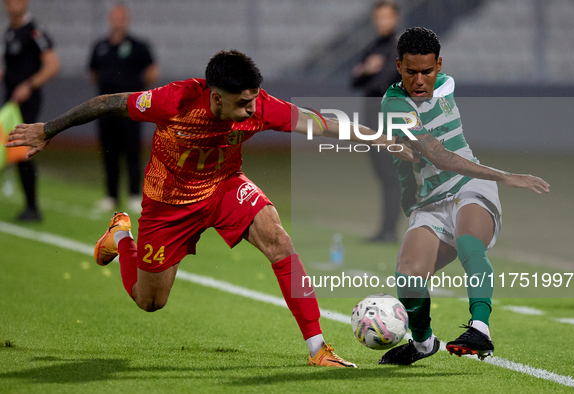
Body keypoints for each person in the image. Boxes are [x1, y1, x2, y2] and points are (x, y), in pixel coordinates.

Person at [6, 50, 416, 368]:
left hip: (223, 188)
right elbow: (106, 102)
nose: (251, 110)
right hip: (168, 205)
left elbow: (322, 122)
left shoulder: (260, 106)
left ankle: (318, 348)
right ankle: (122, 236)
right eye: (242, 104)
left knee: (278, 240)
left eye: (254, 100)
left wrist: (381, 138)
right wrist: (48, 129)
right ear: (215, 98)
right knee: (149, 301)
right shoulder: (175, 100)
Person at [377, 27, 550, 365]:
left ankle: (480, 330)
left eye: (427, 71)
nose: (420, 80)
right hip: (429, 203)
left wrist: (493, 178)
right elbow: (438, 156)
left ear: (439, 65)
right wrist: (506, 176)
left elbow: (447, 156)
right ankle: (424, 343)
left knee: (469, 241)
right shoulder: (395, 105)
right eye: (411, 72)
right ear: (398, 67)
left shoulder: (446, 84)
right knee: (408, 276)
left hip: (470, 184)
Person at [89, 3, 159, 213]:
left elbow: (152, 72)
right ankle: (111, 195)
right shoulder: (100, 46)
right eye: (115, 17)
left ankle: (134, 194)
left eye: (121, 17)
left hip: (130, 110)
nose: (118, 21)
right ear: (110, 19)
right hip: (106, 110)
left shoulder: (138, 46)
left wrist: (134, 92)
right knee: (109, 151)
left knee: (132, 151)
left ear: (126, 20)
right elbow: (93, 72)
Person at [1, 0, 60, 221]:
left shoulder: (34, 32)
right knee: (12, 151)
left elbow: (53, 65)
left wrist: (29, 85)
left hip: (27, 102)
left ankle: (33, 207)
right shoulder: (9, 32)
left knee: (22, 150)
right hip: (11, 103)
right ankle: (30, 205)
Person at [351, 0, 402, 243]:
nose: (383, 22)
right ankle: (386, 230)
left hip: (389, 119)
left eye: (387, 17)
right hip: (373, 119)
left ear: (395, 19)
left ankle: (390, 231)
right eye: (379, 17)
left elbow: (383, 84)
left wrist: (368, 72)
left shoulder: (398, 48)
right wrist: (365, 71)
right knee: (384, 174)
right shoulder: (373, 46)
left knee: (391, 175)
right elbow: (355, 82)